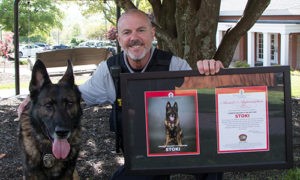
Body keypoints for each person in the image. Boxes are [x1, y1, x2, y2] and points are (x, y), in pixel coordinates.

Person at [18, 8, 224, 180]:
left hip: (183, 148)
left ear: (153, 33)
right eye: (126, 32)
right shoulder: (108, 70)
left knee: (212, 166)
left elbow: (206, 98)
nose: (134, 38)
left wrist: (211, 73)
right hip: (144, 159)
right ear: (119, 38)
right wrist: (36, 98)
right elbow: (74, 95)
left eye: (141, 30)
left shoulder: (174, 65)